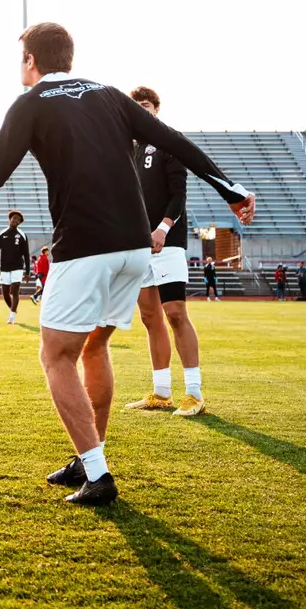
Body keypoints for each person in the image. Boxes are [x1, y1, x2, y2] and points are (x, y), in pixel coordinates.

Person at [0, 22, 254, 507]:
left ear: (31, 60)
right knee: (94, 346)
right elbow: (173, 140)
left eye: (20, 58)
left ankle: (98, 475)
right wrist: (232, 189)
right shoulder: (110, 94)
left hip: (85, 246)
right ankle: (87, 457)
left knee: (56, 356)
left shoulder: (30, 103)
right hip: (136, 248)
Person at [124, 86, 209, 418]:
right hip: (137, 243)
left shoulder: (169, 142)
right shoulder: (126, 148)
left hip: (167, 241)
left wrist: (163, 227)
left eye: (146, 105)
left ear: (156, 109)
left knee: (174, 312)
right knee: (149, 317)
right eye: (136, 106)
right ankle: (161, 393)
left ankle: (194, 393)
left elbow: (179, 194)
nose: (142, 110)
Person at [0, 210, 31, 324]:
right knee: (5, 293)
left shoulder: (22, 235)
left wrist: (27, 271)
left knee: (14, 291)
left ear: (20, 223)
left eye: (18, 220)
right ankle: (13, 309)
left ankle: (12, 317)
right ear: (10, 219)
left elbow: (26, 254)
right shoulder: (2, 234)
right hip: (4, 267)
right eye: (14, 218)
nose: (16, 221)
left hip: (18, 267)